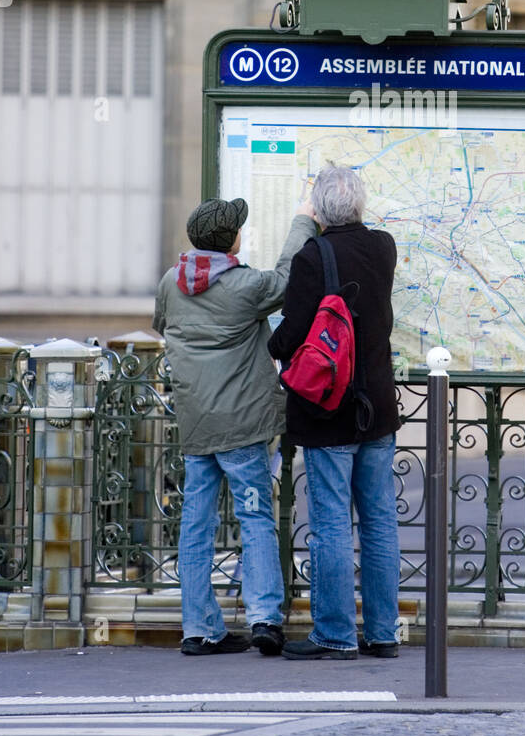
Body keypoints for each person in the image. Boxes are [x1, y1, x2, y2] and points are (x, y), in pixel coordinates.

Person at [153, 195, 315, 656]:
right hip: (241, 427)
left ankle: (198, 629)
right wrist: (302, 220)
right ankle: (265, 619)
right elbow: (288, 277)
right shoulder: (245, 286)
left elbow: (163, 324)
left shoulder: (171, 281)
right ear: (233, 240)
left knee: (196, 524)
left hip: (196, 425)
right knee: (255, 517)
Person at [268, 164, 401, 660]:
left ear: (319, 210)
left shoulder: (312, 256)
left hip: (329, 411)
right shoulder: (383, 247)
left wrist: (272, 342)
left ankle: (336, 634)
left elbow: (291, 335)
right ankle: (383, 633)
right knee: (379, 520)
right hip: (378, 409)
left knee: (330, 524)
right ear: (361, 205)